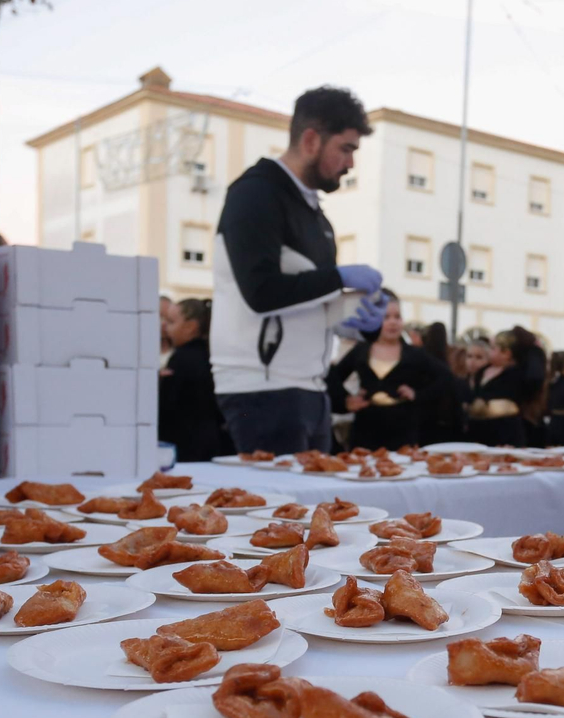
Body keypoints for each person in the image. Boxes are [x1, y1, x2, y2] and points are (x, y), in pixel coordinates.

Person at [209, 85, 388, 453]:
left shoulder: (316, 214)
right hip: (260, 388)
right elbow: (261, 293)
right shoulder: (255, 193)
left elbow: (309, 299)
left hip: (309, 386)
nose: (351, 163)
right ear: (310, 140)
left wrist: (352, 319)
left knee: (316, 508)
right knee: (284, 510)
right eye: (346, 149)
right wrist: (338, 278)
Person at [326, 291, 445, 450]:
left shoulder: (414, 354)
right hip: (365, 431)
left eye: (397, 317)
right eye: (386, 317)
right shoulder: (361, 350)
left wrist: (418, 394)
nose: (393, 322)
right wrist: (347, 400)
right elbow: (334, 377)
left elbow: (445, 377)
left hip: (403, 433)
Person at [157, 297, 228, 461]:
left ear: (190, 327)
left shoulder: (182, 358)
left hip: (185, 444)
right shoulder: (210, 354)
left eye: (171, 322)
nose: (165, 326)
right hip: (211, 440)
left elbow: (167, 405)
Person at [466, 329, 536, 446]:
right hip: (480, 432)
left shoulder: (515, 374)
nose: (489, 352)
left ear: (506, 353)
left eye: (493, 348)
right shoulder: (483, 370)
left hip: (504, 432)